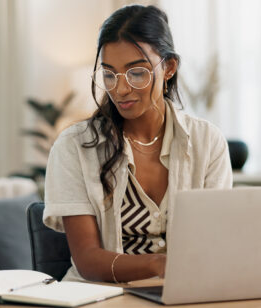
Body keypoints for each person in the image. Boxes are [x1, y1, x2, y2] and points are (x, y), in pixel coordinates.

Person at [43, 4, 232, 283]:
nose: (120, 89)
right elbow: (88, 260)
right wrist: (159, 265)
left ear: (168, 67)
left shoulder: (208, 141)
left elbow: (215, 242)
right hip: (99, 296)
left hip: (184, 293)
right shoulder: (73, 147)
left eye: (137, 73)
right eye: (109, 74)